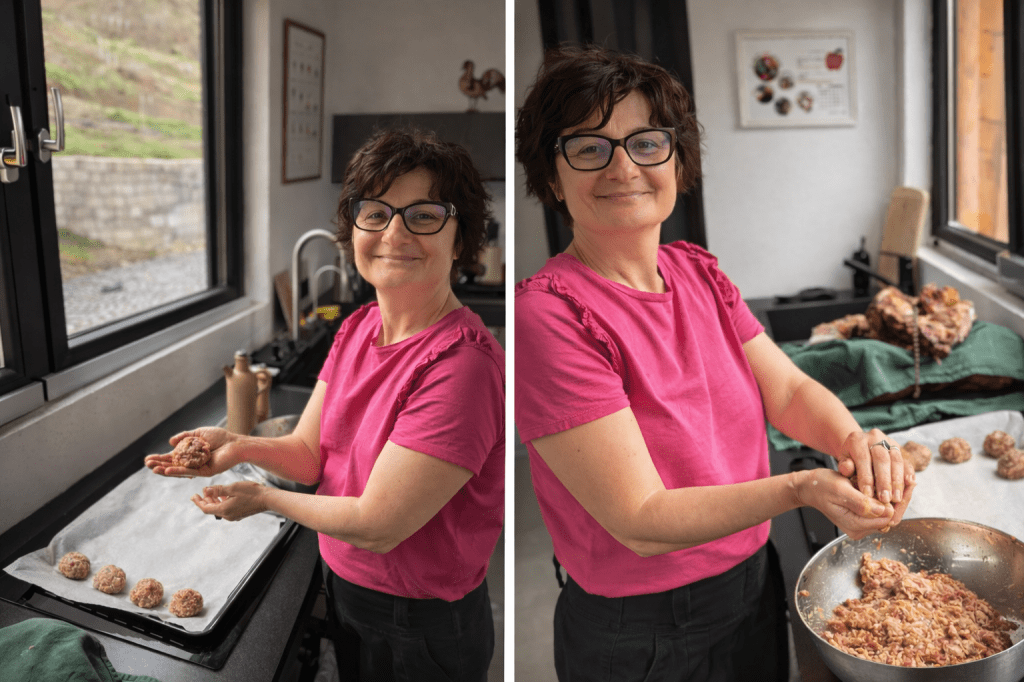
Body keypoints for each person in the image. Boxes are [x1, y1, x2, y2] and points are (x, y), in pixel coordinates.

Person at [514, 45, 915, 682]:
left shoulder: (697, 272)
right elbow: (640, 520)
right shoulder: (550, 315)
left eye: (645, 143)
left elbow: (785, 390)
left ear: (675, 159)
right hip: (639, 627)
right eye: (588, 148)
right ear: (552, 177)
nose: (623, 168)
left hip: (751, 585)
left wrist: (854, 442)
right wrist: (801, 487)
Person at [146, 128, 504, 682]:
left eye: (424, 215)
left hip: (423, 619)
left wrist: (263, 498)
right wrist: (236, 445)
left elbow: (380, 523)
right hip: (345, 581)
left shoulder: (462, 365)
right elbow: (311, 453)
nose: (394, 233)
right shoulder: (359, 327)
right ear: (353, 227)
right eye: (376, 212)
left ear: (460, 240)